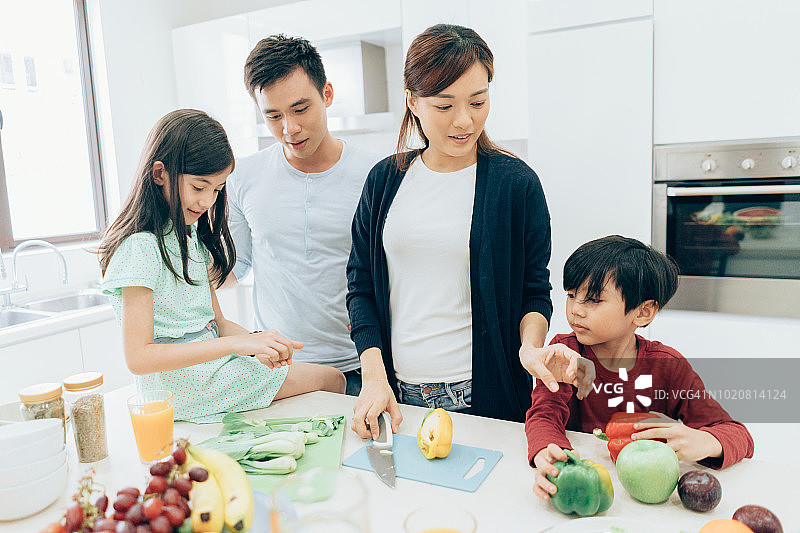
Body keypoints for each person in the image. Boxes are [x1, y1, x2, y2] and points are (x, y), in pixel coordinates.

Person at [347, 24, 593, 439]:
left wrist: (530, 348)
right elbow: (361, 286)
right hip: (395, 396)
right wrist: (373, 376)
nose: (464, 121)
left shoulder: (516, 184)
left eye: (478, 102)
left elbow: (535, 289)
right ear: (413, 101)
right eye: (444, 106)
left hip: (485, 397)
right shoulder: (385, 179)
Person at [99, 109, 345, 422]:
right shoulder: (139, 248)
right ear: (159, 174)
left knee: (329, 381)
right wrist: (237, 345)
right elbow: (138, 358)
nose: (207, 202)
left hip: (209, 374)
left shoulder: (187, 236)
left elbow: (217, 323)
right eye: (199, 187)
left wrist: (258, 345)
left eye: (217, 190)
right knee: (332, 380)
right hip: (183, 389)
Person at [527, 235, 754, 501]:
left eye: (593, 300)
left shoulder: (668, 366)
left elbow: (738, 434)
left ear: (643, 312)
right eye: (571, 295)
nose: (576, 309)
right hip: (585, 483)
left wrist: (707, 442)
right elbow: (544, 414)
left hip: (645, 493)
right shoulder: (565, 352)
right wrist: (549, 451)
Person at [225, 35, 381, 396]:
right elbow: (237, 265)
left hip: (361, 365)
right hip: (279, 369)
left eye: (300, 108)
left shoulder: (375, 173)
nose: (288, 128)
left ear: (327, 94)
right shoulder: (242, 177)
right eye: (273, 115)